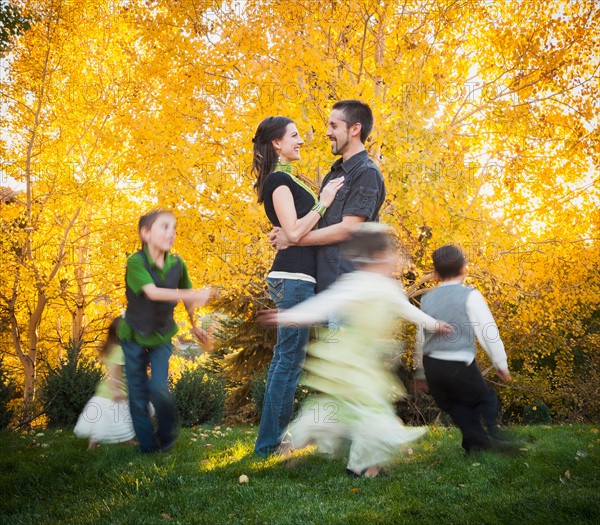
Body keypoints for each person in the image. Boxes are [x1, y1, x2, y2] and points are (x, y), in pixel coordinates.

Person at [263, 224, 452, 477]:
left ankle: (306, 432)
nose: (393, 261)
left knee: (344, 408)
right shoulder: (361, 285)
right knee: (372, 412)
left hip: (358, 361)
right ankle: (363, 465)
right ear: (375, 257)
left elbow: (408, 312)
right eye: (389, 256)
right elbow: (322, 305)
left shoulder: (380, 286)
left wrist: (433, 324)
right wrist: (287, 317)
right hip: (354, 362)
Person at [252, 116, 345, 457]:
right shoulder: (278, 180)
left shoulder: (287, 179)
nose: (301, 140)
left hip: (300, 280)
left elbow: (289, 233)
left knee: (289, 361)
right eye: (293, 135)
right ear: (276, 143)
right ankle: (268, 446)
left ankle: (274, 442)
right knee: (288, 362)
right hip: (293, 280)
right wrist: (325, 200)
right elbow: (292, 232)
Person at [119, 209, 212, 453]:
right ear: (146, 233)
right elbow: (152, 292)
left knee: (159, 388)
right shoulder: (135, 262)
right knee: (138, 396)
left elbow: (188, 301)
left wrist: (195, 325)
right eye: (164, 227)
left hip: (161, 335)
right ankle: (148, 450)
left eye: (174, 228)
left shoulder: (177, 264)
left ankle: (167, 436)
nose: (171, 233)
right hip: (134, 336)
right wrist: (191, 294)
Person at [270, 99, 386, 293]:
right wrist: (289, 229)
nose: (327, 132)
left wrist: (293, 239)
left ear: (355, 129)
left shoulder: (367, 172)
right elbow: (322, 225)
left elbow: (349, 229)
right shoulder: (334, 174)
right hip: (325, 288)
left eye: (334, 126)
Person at [414, 244, 513, 454]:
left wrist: (421, 371)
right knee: (485, 399)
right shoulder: (470, 295)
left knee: (458, 407)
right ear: (464, 268)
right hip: (458, 364)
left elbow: (420, 336)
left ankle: (476, 445)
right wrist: (500, 363)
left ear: (435, 273)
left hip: (434, 367)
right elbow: (488, 331)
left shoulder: (426, 298)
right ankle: (494, 431)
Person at [74, 318, 137, 449]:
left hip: (104, 393)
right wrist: (116, 390)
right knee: (122, 420)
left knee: (103, 422)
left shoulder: (112, 348)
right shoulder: (119, 351)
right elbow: (113, 373)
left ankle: (92, 446)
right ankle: (129, 442)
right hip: (113, 393)